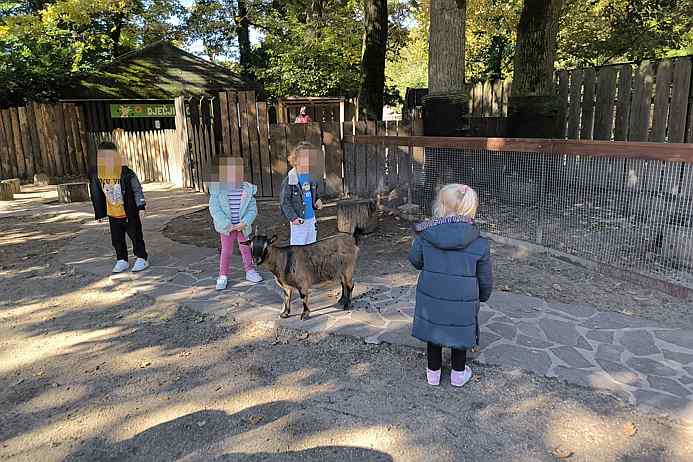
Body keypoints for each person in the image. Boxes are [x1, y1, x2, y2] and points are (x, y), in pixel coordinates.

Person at [408, 184, 493, 387]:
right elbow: (485, 277)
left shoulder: (426, 235)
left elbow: (415, 260)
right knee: (460, 332)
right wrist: (483, 295)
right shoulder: (479, 243)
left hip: (432, 295)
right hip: (463, 299)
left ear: (440, 206)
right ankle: (458, 374)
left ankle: (433, 373)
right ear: (470, 209)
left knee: (433, 331)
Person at [89, 140, 149, 274]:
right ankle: (122, 259)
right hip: (113, 214)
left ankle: (142, 257)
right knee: (117, 239)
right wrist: (99, 213)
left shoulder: (126, 173)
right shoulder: (97, 175)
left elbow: (137, 189)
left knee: (136, 236)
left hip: (129, 212)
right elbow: (96, 194)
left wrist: (141, 207)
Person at [208, 157, 263, 290]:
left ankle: (249, 271)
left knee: (245, 248)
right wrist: (227, 224)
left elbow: (252, 208)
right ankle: (223, 275)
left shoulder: (247, 189)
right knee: (226, 251)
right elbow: (215, 209)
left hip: (242, 227)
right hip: (227, 228)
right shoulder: (218, 190)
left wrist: (244, 222)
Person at [280, 141, 323, 245]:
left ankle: (309, 262)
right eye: (304, 157)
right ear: (296, 159)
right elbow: (284, 202)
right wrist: (293, 218)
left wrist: (317, 200)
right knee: (298, 247)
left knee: (311, 245)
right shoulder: (290, 179)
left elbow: (314, 193)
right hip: (299, 220)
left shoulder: (312, 177)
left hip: (311, 219)